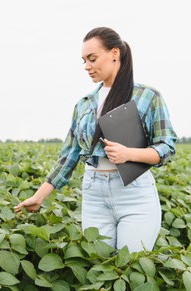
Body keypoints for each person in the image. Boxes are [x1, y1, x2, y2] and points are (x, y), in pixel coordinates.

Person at [14, 27, 177, 253]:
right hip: (94, 193)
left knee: (131, 265)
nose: (87, 66)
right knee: (99, 264)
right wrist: (39, 196)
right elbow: (68, 155)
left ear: (114, 53)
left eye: (92, 59)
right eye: (84, 61)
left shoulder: (147, 96)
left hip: (134, 193)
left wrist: (129, 154)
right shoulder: (84, 103)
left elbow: (166, 146)